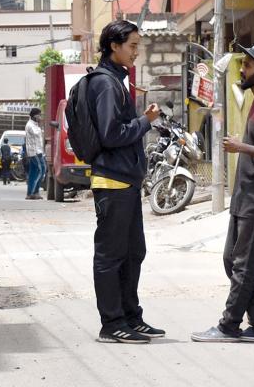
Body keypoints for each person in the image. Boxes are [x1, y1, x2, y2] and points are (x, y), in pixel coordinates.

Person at [191, 43, 254, 344]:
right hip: (245, 198)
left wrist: (242, 147)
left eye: (247, 65)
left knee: (245, 265)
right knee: (231, 261)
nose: (241, 69)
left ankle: (229, 325)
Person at [88, 20, 163, 344]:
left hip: (126, 180)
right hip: (112, 180)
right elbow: (110, 134)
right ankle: (112, 323)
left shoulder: (117, 80)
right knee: (111, 255)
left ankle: (131, 316)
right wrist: (145, 122)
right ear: (114, 46)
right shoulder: (105, 84)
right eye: (132, 45)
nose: (136, 51)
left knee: (134, 252)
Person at [24, 108, 46, 199]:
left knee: (34, 172)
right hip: (34, 152)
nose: (40, 117)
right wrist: (41, 124)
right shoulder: (30, 125)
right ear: (34, 116)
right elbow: (36, 133)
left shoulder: (35, 125)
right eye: (39, 115)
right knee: (41, 170)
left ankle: (32, 193)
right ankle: (33, 192)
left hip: (38, 151)